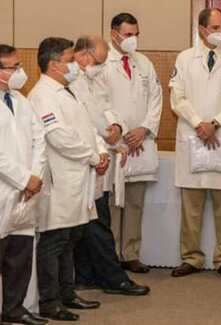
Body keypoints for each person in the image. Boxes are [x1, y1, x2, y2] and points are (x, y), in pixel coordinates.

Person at [169, 8, 221, 279]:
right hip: (193, 135)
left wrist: (215, 123)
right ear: (202, 29)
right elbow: (177, 98)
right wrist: (198, 124)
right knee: (191, 207)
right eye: (215, 27)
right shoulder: (184, 58)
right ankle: (191, 257)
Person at [29, 37, 106, 321]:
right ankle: (50, 301)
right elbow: (59, 137)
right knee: (54, 240)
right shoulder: (42, 95)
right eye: (71, 59)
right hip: (59, 179)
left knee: (72, 237)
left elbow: (85, 127)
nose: (76, 64)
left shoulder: (66, 90)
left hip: (78, 177)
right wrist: (93, 157)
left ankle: (67, 293)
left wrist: (99, 150)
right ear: (54, 65)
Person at [70, 35, 150, 296]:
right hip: (88, 159)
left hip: (101, 154)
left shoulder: (95, 77)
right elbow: (87, 118)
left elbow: (106, 106)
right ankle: (114, 279)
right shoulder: (73, 82)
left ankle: (86, 275)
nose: (103, 67)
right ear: (82, 55)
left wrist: (117, 126)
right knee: (98, 222)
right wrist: (110, 138)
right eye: (99, 61)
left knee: (92, 221)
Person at [99, 12, 163, 273]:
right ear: (114, 34)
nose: (133, 39)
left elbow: (156, 98)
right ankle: (112, 256)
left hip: (141, 142)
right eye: (128, 35)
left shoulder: (144, 62)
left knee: (135, 202)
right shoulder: (102, 63)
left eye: (136, 34)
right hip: (115, 143)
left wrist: (144, 128)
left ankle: (130, 253)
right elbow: (100, 103)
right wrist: (123, 130)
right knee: (114, 202)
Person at [0, 44, 48, 325]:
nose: (19, 72)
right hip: (5, 186)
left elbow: (38, 138)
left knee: (19, 254)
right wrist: (22, 177)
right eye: (12, 67)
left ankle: (13, 309)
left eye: (18, 65)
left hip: (27, 191)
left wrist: (35, 175)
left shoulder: (21, 100)